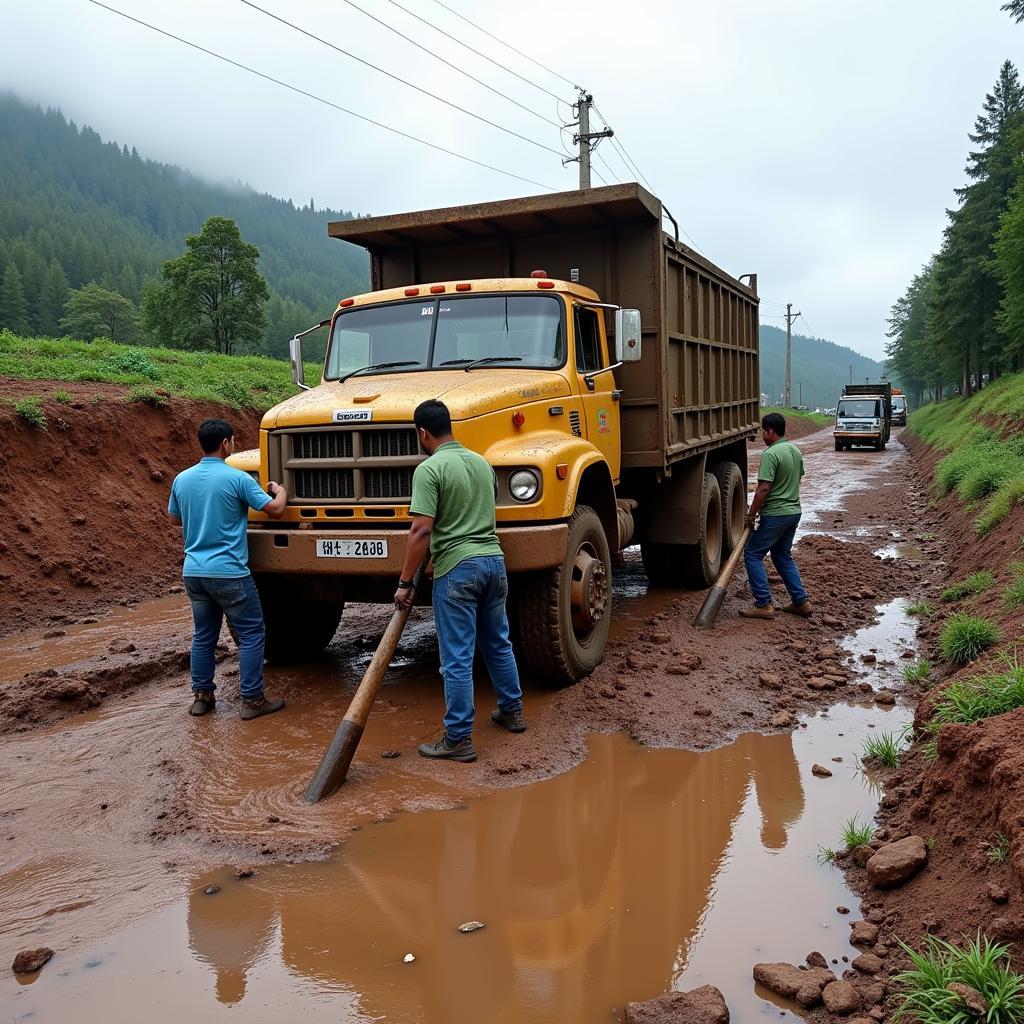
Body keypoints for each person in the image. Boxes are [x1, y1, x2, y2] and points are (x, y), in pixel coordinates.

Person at [394, 399, 526, 763]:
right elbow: (475, 515)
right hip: (493, 562)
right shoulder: (482, 463)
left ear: (422, 432)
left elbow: (421, 529)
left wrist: (406, 582)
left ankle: (458, 739)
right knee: (498, 642)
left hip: (458, 569)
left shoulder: (430, 469)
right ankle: (512, 711)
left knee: (456, 658)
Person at [168, 418, 288, 719]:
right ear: (226, 443)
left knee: (204, 635)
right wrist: (280, 490)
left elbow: (174, 518)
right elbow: (274, 511)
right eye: (232, 441)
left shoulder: (182, 479)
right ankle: (252, 701)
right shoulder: (238, 479)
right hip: (230, 572)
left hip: (193, 572)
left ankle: (202, 697)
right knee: (251, 634)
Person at [739, 412, 811, 620]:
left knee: (752, 554)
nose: (763, 434)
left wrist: (751, 514)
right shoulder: (795, 451)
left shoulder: (770, 454)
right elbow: (798, 479)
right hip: (793, 512)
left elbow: (763, 488)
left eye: (763, 430)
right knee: (782, 556)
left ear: (770, 431)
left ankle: (763, 603)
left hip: (775, 515)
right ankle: (801, 602)